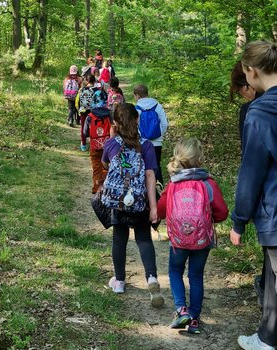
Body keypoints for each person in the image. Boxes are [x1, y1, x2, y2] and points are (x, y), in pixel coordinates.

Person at [230, 40, 277, 350]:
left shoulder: (259, 112)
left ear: (252, 71)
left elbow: (251, 172)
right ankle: (267, 337)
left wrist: (239, 220)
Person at [157, 137, 228, 334]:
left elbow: (162, 210)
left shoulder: (172, 185)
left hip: (179, 241)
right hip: (202, 240)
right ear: (200, 159)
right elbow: (222, 212)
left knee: (175, 271)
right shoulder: (208, 184)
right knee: (196, 276)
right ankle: (195, 319)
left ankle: (182, 311)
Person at [101, 102, 164, 308]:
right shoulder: (146, 145)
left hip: (118, 201)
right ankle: (152, 278)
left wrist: (113, 136)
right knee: (144, 239)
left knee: (119, 239)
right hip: (139, 200)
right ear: (137, 121)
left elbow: (105, 164)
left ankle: (119, 281)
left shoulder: (111, 144)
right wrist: (153, 207)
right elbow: (150, 175)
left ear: (115, 123)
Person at [230, 60, 265, 307]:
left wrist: (241, 218)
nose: (243, 93)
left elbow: (250, 161)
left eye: (241, 88)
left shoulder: (252, 112)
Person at [133, 84, 168, 185]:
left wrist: (140, 137)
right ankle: (159, 190)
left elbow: (134, 126)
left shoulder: (137, 109)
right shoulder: (157, 106)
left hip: (142, 142)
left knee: (143, 166)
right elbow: (165, 123)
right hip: (157, 143)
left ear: (137, 96)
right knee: (156, 165)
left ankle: (144, 191)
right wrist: (158, 135)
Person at [83, 89, 110, 193]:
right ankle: (106, 188)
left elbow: (85, 132)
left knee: (96, 167)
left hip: (94, 146)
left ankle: (96, 188)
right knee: (106, 167)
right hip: (107, 146)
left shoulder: (90, 117)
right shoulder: (109, 115)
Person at [77, 75, 98, 151]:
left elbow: (78, 100)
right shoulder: (96, 90)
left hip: (83, 110)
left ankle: (83, 144)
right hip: (92, 111)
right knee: (93, 127)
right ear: (94, 81)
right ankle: (93, 144)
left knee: (83, 127)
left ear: (87, 80)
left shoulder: (82, 89)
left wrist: (79, 109)